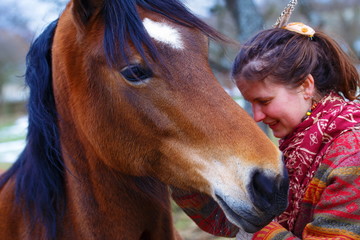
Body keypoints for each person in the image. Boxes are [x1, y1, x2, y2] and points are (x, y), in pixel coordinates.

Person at [171, 14, 360, 240]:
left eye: (264, 101)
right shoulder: (299, 148)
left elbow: (250, 227)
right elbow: (227, 222)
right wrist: (182, 171)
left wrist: (256, 226)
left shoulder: (351, 154)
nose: (257, 116)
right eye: (251, 104)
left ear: (305, 86)